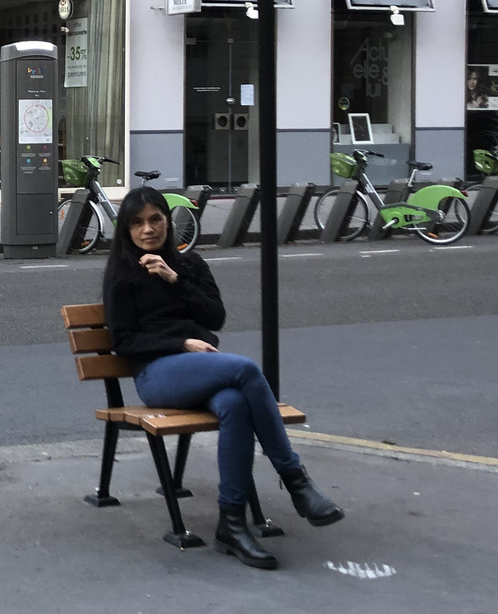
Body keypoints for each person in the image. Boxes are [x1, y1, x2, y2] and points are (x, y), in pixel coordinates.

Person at [101, 187, 343, 570]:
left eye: (155, 219)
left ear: (168, 220)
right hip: (156, 375)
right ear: (126, 230)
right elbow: (124, 341)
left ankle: (231, 523)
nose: (148, 229)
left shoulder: (191, 265)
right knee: (244, 368)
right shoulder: (121, 275)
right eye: (137, 223)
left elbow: (215, 317)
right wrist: (182, 343)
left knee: (234, 403)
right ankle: (295, 480)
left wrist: (175, 278)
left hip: (199, 372)